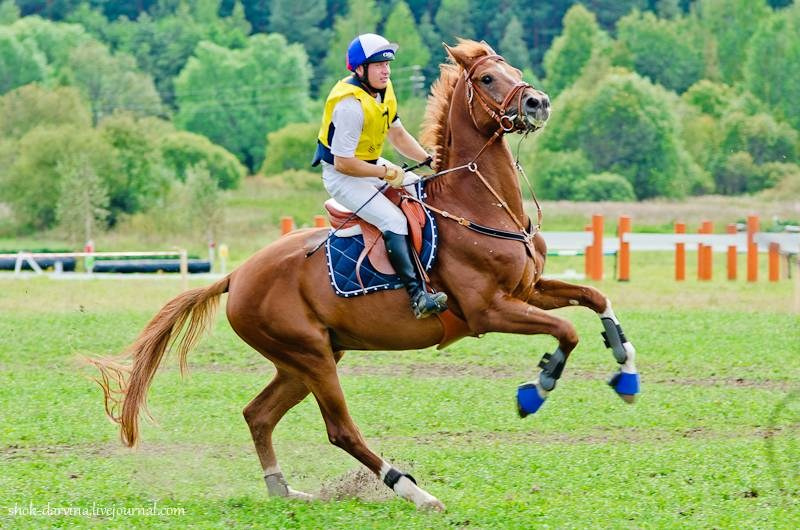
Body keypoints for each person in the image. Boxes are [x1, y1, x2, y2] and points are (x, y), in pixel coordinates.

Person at [312, 33, 447, 319]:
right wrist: (385, 172)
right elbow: (345, 163)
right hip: (343, 176)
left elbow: (396, 134)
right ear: (360, 69)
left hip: (369, 164)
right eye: (378, 65)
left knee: (420, 192)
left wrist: (425, 159)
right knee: (393, 220)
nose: (386, 70)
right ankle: (417, 296)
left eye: (387, 64)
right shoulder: (350, 105)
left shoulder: (383, 90)